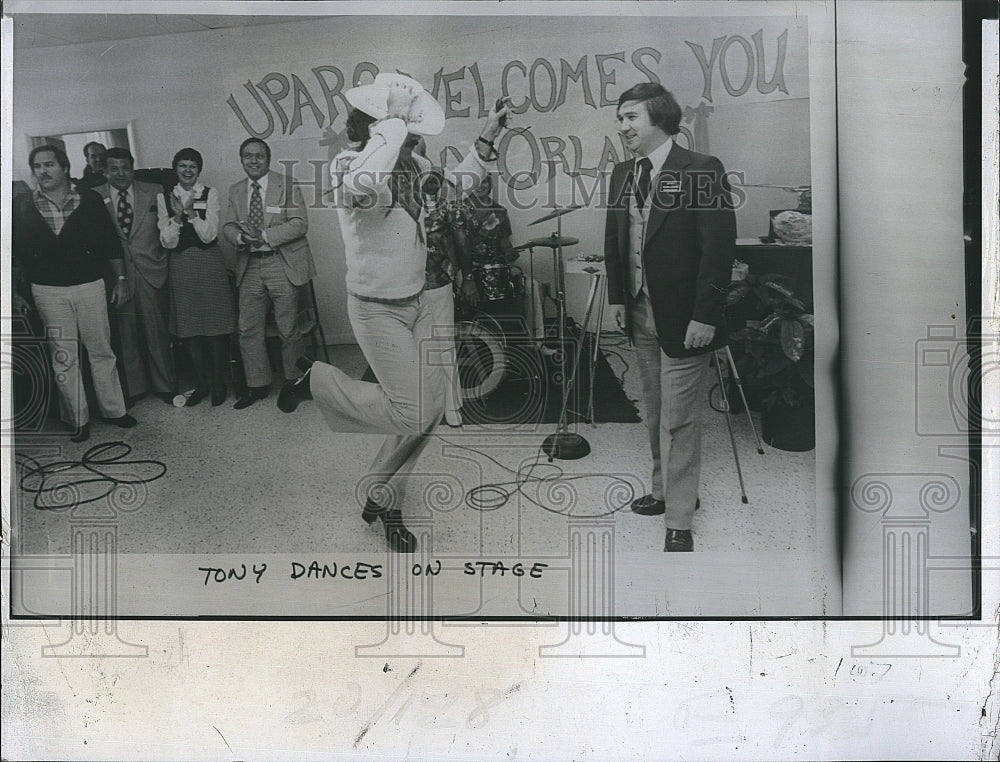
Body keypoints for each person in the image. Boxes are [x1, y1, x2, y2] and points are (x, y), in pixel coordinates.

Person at [277, 73, 509, 553]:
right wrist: (394, 123)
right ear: (376, 125)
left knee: (423, 416)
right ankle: (318, 382)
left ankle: (385, 501)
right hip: (376, 309)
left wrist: (488, 136)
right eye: (406, 125)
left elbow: (457, 186)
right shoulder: (349, 165)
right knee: (416, 409)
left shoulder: (415, 162)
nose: (416, 135)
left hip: (422, 300)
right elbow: (367, 181)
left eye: (413, 127)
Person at [603, 83, 736, 552]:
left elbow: (719, 252)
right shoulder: (622, 174)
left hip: (685, 317)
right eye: (620, 119)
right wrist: (619, 296)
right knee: (655, 409)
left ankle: (680, 517)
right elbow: (615, 240)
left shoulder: (702, 170)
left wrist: (707, 314)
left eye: (630, 118)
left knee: (680, 417)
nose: (622, 127)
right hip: (639, 310)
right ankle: (662, 491)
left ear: (660, 120)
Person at [12, 144, 137, 443]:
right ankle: (77, 419)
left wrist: (120, 280)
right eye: (38, 166)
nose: (43, 171)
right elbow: (13, 253)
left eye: (49, 165)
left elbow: (110, 244)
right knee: (64, 355)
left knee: (101, 350)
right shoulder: (22, 205)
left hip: (90, 285)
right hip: (47, 291)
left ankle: (114, 410)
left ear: (65, 168)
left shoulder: (90, 200)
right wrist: (16, 292)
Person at [221, 137, 316, 409]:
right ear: (241, 160)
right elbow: (227, 226)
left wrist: (263, 235)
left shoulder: (287, 184)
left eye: (259, 156)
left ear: (268, 158)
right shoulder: (236, 190)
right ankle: (256, 386)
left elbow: (299, 224)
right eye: (248, 156)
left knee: (288, 328)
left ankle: (294, 382)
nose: (253, 160)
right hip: (249, 265)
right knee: (248, 328)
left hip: (280, 262)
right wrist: (239, 238)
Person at [157, 147, 237, 407]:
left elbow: (209, 235)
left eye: (192, 166)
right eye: (182, 166)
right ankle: (201, 384)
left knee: (214, 328)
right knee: (190, 330)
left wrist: (191, 213)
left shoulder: (210, 193)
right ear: (175, 169)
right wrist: (178, 215)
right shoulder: (164, 197)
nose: (188, 170)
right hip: (181, 266)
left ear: (199, 170)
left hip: (208, 265)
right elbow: (168, 242)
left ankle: (217, 383)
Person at [97, 147, 176, 404]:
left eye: (126, 167)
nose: (121, 173)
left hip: (151, 271)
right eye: (114, 169)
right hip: (117, 275)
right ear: (105, 171)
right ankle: (135, 389)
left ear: (133, 168)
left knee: (156, 332)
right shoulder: (94, 196)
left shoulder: (154, 190)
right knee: (125, 333)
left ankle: (165, 385)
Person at [454, 175, 548, 351]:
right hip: (468, 269)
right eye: (477, 182)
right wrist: (466, 276)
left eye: (485, 182)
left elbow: (505, 243)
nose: (481, 186)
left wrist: (509, 253)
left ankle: (536, 342)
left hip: (497, 268)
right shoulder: (461, 209)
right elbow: (457, 247)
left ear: (490, 184)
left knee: (532, 286)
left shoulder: (500, 211)